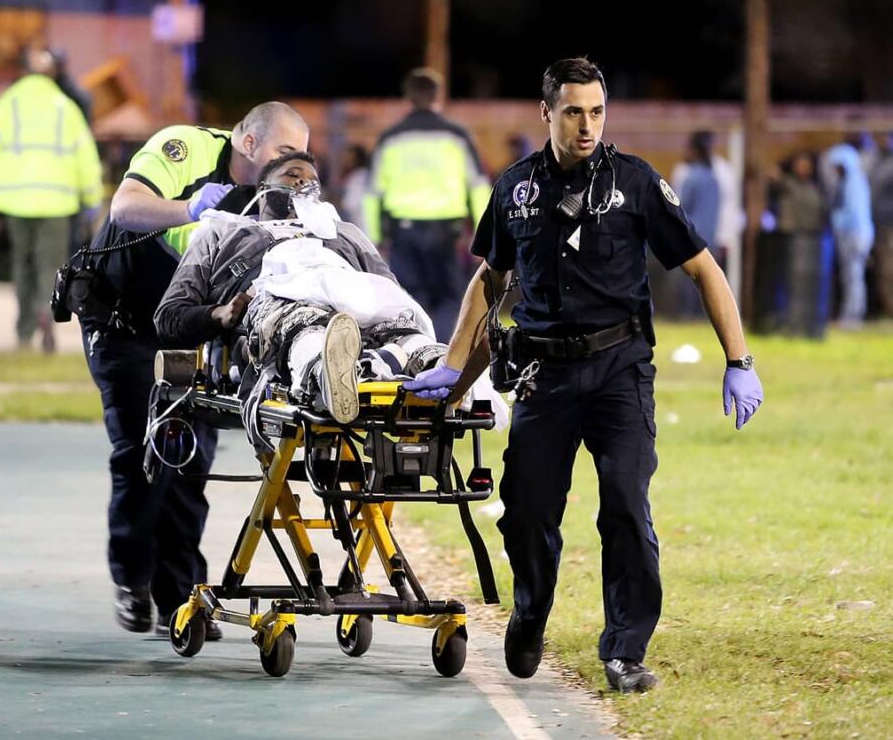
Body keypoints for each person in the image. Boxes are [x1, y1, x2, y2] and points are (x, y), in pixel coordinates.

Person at [405, 58, 764, 694]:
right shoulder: (514, 188)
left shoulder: (637, 183)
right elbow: (490, 283)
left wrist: (739, 363)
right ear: (546, 114)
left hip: (620, 369)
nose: (587, 125)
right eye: (573, 112)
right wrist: (455, 368)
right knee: (526, 510)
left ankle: (625, 650)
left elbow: (704, 268)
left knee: (625, 502)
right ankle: (530, 610)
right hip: (545, 373)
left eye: (596, 111)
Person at [76, 102, 308, 638]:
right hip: (122, 322)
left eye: (300, 156)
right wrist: (188, 209)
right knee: (142, 449)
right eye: (282, 152)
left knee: (189, 460)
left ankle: (180, 597)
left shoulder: (275, 198)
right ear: (248, 144)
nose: (290, 165)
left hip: (190, 328)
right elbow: (125, 207)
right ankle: (132, 577)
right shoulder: (185, 147)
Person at [155, 153, 486, 427]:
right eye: (292, 174)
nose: (303, 181)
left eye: (311, 178)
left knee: (402, 328)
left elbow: (389, 292)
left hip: (357, 312)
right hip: (279, 303)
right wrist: (219, 314)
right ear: (262, 188)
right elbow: (169, 316)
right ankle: (328, 374)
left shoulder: (344, 233)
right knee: (303, 323)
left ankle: (435, 371)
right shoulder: (224, 232)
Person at [0, 44, 102, 352]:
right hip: (58, 202)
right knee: (51, 265)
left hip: (15, 201)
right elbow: (86, 157)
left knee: (22, 263)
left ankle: (24, 328)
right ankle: (47, 313)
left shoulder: (9, 103)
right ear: (53, 73)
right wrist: (92, 199)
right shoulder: (66, 107)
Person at [364, 68, 491, 340]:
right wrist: (486, 236)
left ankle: (413, 354)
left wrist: (374, 238)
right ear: (438, 97)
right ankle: (443, 357)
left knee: (408, 301)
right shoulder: (457, 136)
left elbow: (372, 193)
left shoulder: (391, 138)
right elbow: (479, 186)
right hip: (447, 233)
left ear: (407, 98)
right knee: (449, 298)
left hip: (403, 233)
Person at [824, 139, 875, 327]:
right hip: (857, 233)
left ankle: (852, 316)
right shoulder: (853, 181)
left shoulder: (852, 184)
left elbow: (851, 212)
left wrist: (837, 222)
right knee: (852, 276)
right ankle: (851, 314)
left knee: (853, 276)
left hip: (854, 234)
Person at [673, 132, 721, 318]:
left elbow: (680, 208)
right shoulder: (714, 178)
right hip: (711, 239)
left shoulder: (691, 177)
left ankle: (685, 317)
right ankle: (702, 318)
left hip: (691, 238)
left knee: (688, 285)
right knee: (708, 283)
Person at [771, 152, 825, 234]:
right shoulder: (787, 183)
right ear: (794, 166)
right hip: (790, 233)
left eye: (806, 165)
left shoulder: (815, 187)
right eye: (800, 165)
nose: (803, 168)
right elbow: (773, 175)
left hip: (811, 232)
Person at [871, 134, 893, 317]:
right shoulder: (875, 162)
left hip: (889, 225)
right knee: (884, 269)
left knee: (888, 268)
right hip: (879, 225)